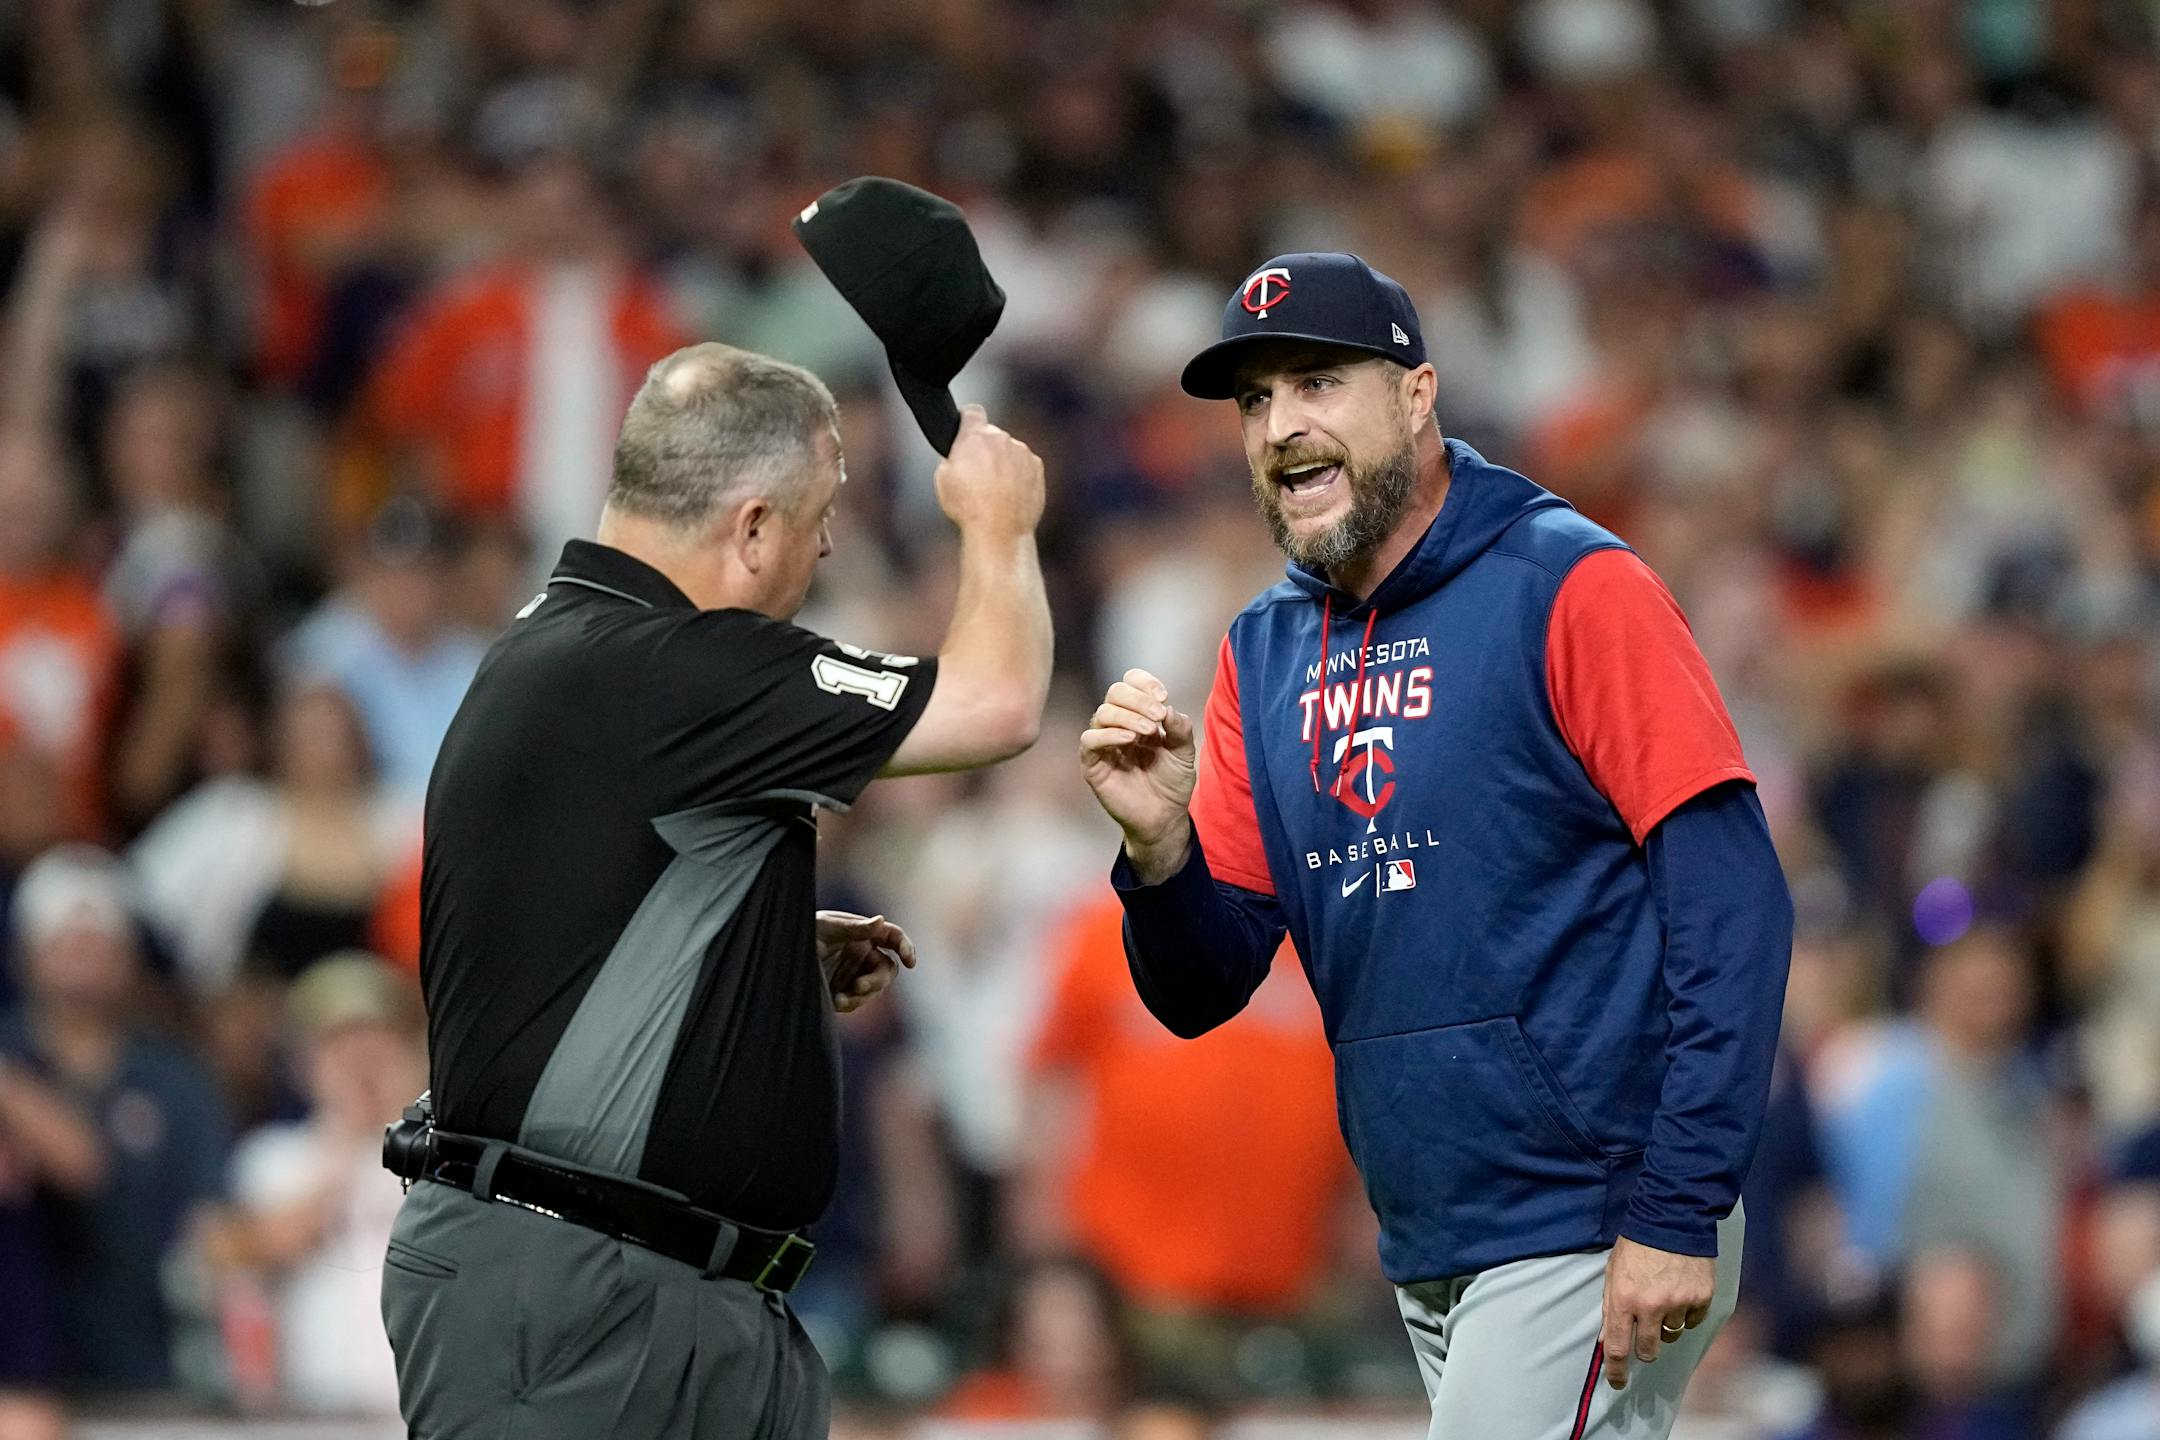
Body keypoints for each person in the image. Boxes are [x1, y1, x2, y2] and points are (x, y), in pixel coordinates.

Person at [1079, 252, 1793, 1438]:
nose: (1280, 427)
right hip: (1431, 1228)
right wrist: (1160, 854)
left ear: (1417, 395)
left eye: (1317, 383)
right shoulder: (1262, 652)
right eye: (1255, 400)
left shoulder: (1571, 585)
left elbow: (1735, 903)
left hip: (1593, 1212)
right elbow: (1205, 987)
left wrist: (1675, 1205)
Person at [383, 340, 1051, 1439]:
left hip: (636, 1294)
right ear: (749, 527)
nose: (827, 543)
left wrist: (758, 950)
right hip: (589, 1307)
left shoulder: (563, 653)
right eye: (818, 516)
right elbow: (997, 704)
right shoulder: (668, 667)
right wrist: (999, 523)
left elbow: (553, 936)